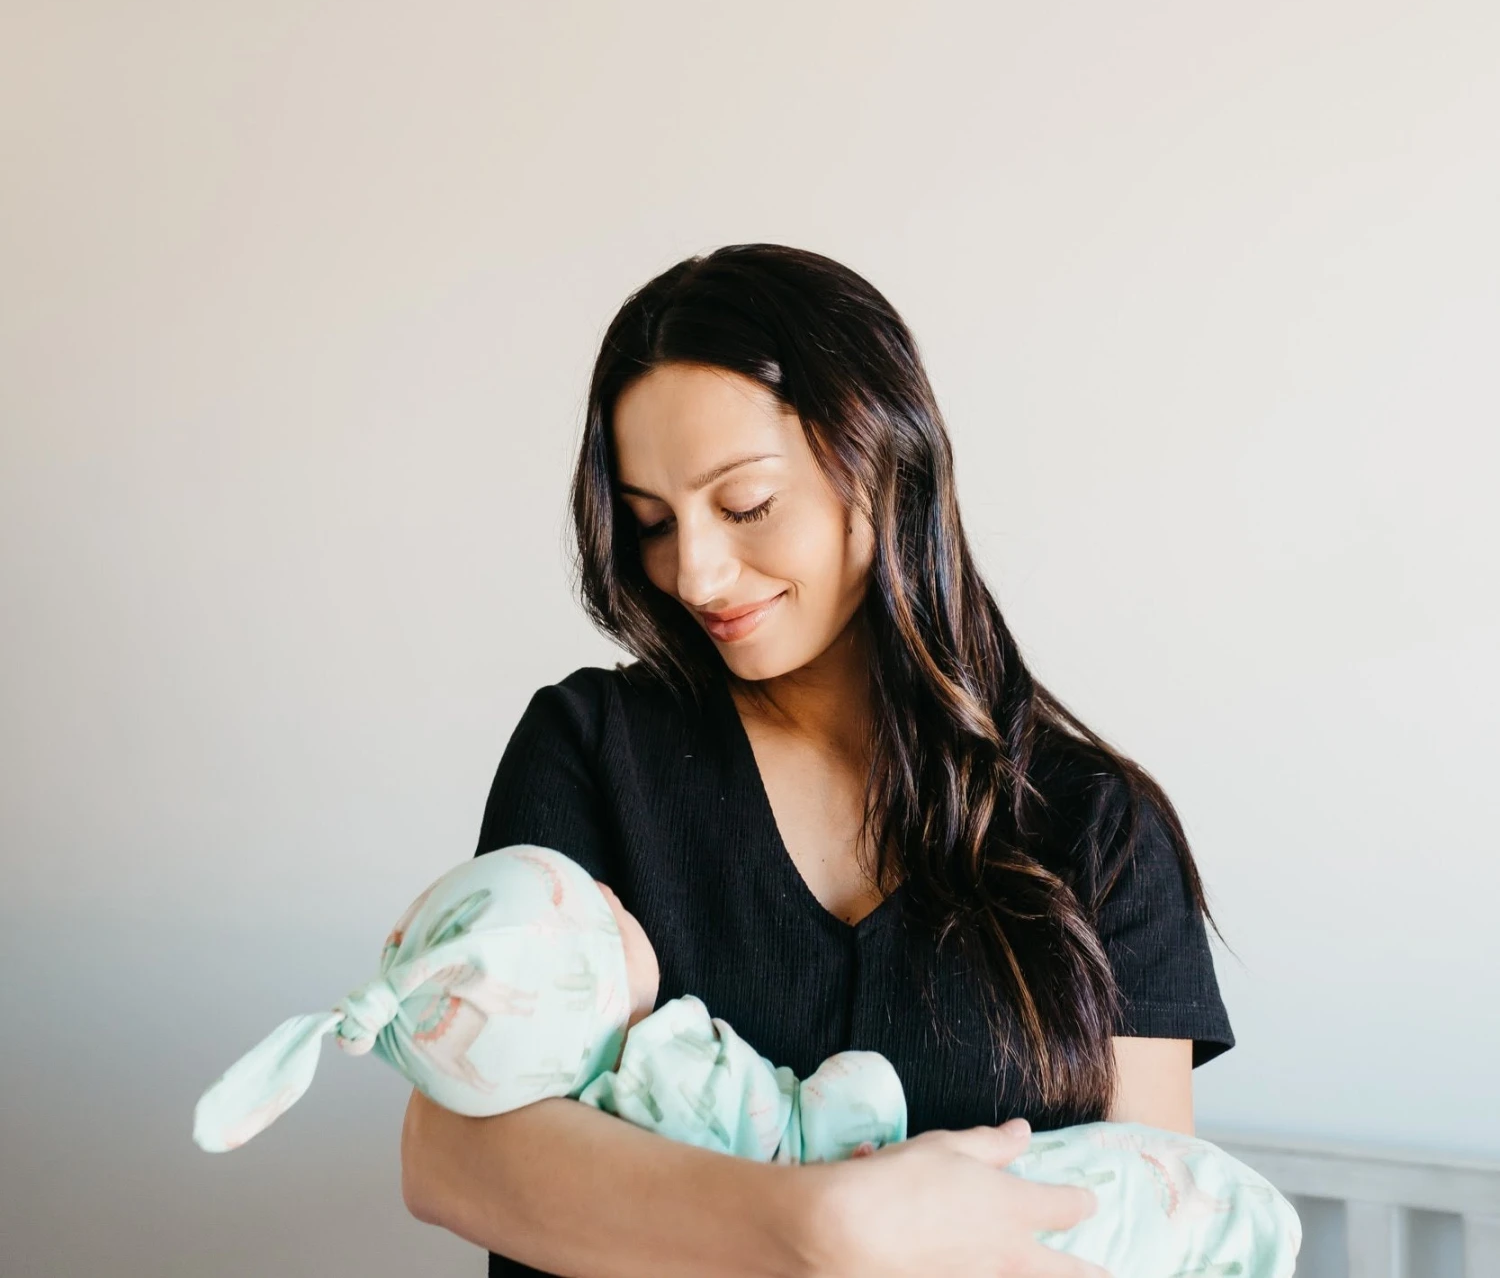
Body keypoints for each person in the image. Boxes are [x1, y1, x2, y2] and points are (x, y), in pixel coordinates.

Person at [400, 243, 1237, 1278]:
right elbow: (450, 1156)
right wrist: (816, 1226)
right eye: (652, 522)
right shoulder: (590, 748)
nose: (695, 573)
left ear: (884, 459)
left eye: (745, 504)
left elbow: (1161, 1224)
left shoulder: (1098, 827)